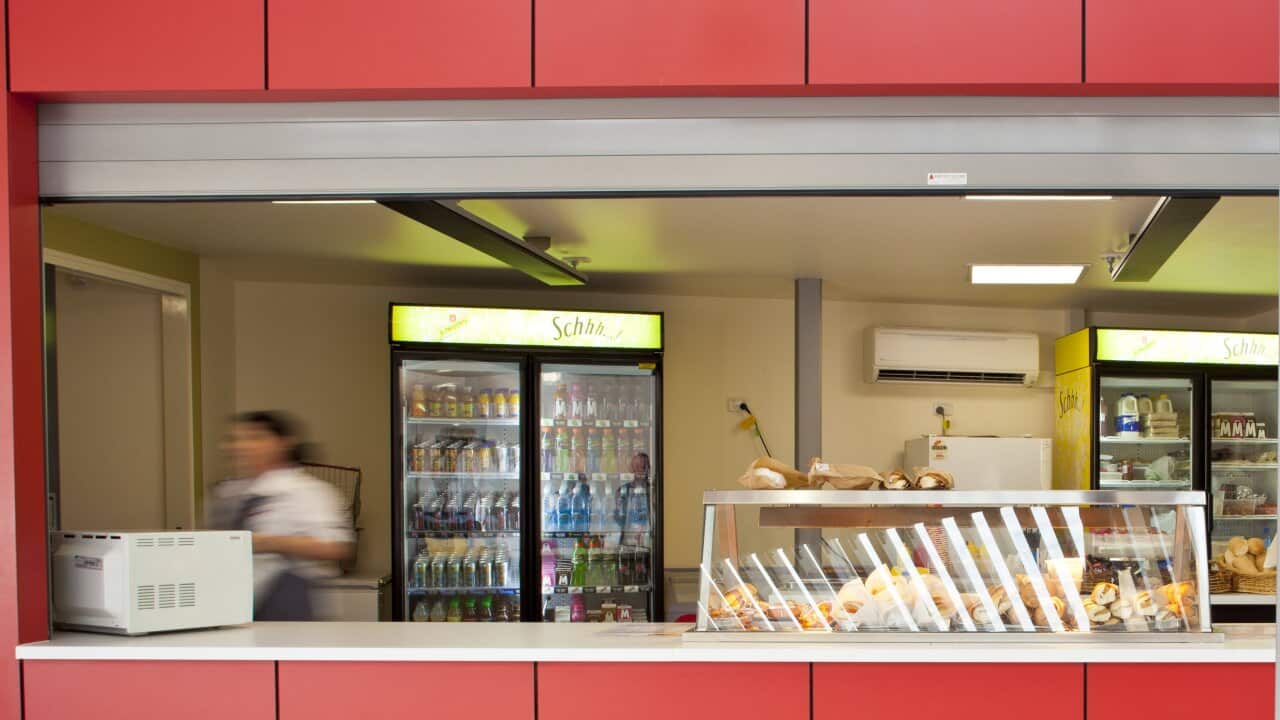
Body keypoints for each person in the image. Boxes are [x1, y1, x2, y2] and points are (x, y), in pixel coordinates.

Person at [210, 411, 354, 621]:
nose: (242, 446)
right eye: (235, 439)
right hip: (240, 608)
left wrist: (267, 542)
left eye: (254, 438)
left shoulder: (307, 491)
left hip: (290, 608)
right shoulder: (231, 493)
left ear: (283, 443)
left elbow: (336, 547)